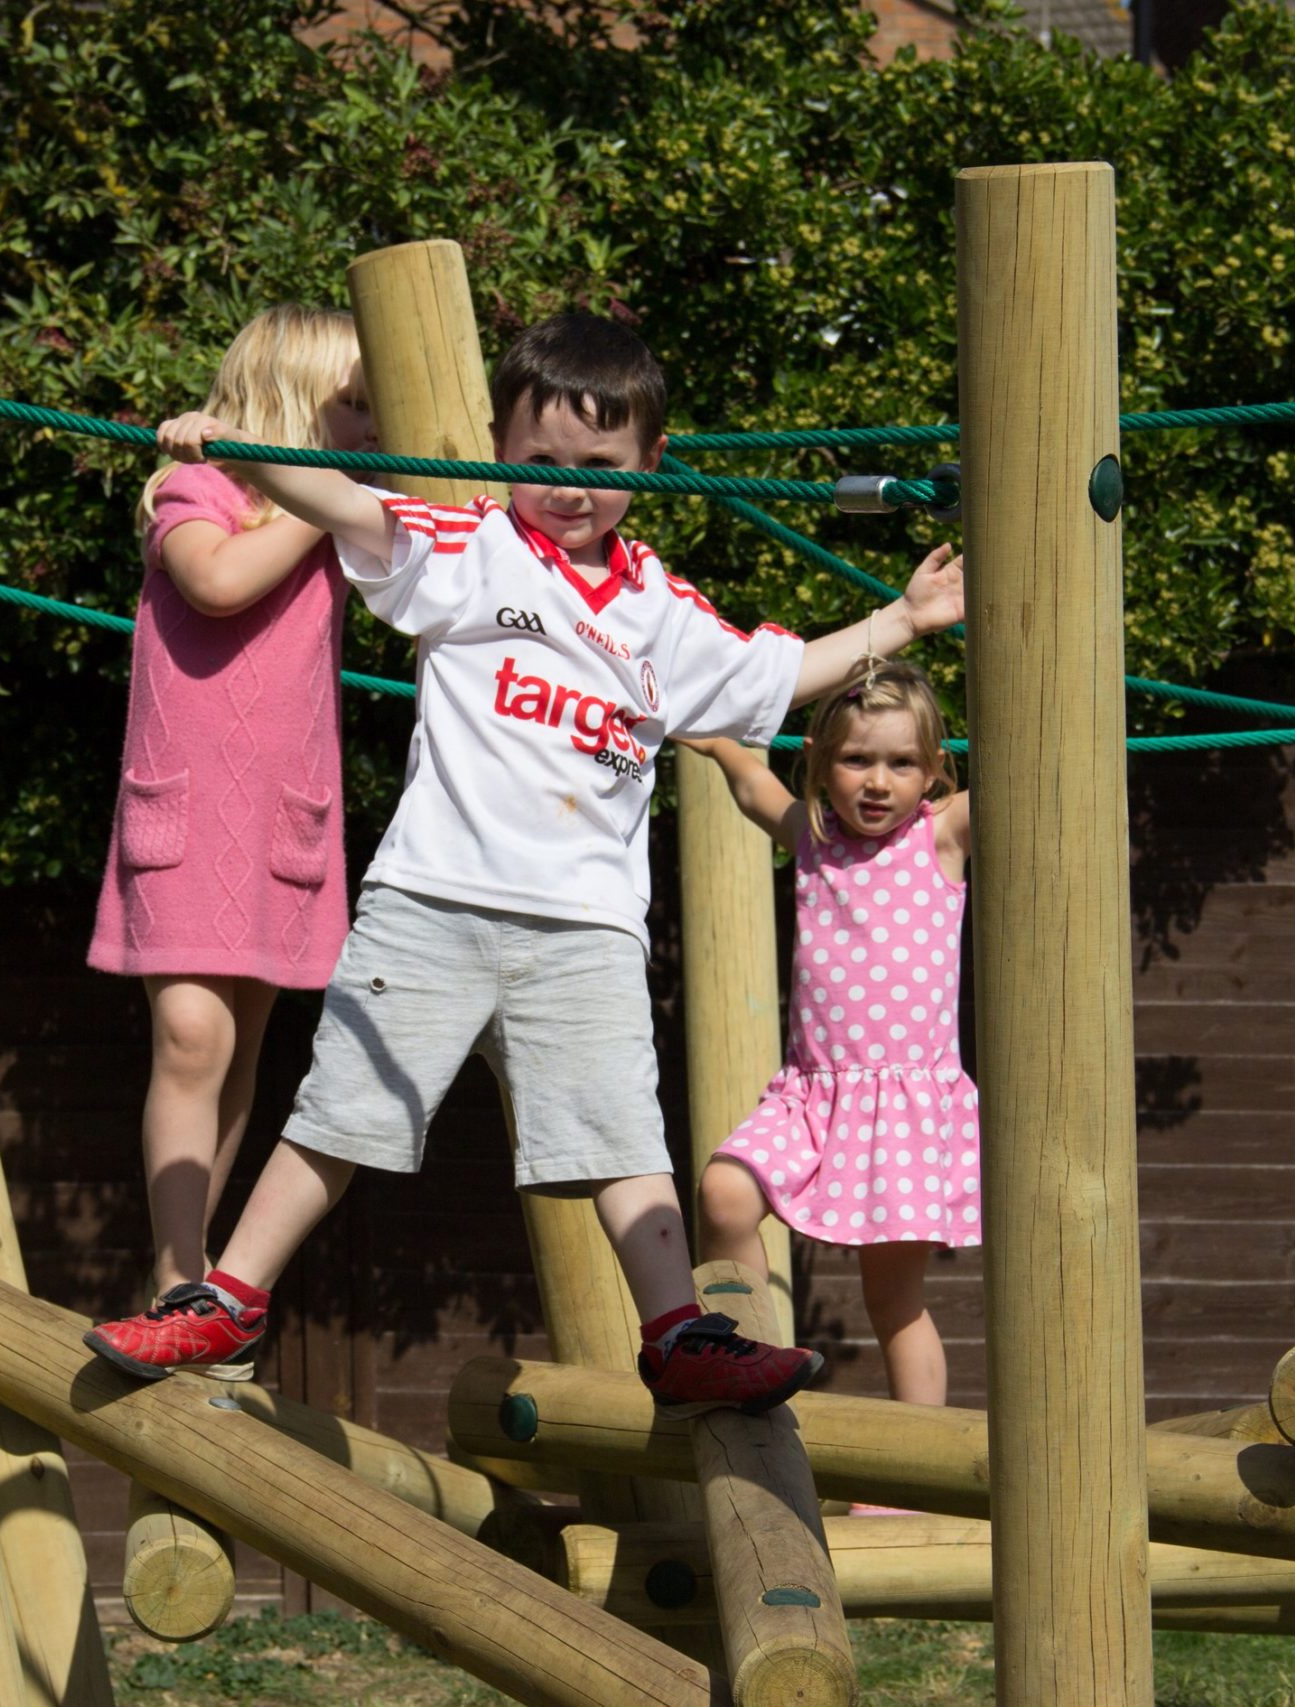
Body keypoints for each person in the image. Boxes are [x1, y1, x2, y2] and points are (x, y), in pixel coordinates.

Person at [86, 311, 963, 1416]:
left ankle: (677, 1331)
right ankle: (227, 1297)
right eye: (540, 462)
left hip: (586, 922)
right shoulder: (469, 550)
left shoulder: (663, 611)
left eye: (601, 467)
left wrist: (902, 618)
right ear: (498, 449)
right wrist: (241, 450)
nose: (570, 487)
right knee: (337, 1116)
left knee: (620, 1137)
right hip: (431, 900)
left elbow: (773, 673)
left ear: (652, 463)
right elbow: (350, 501)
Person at [86, 306, 376, 1379]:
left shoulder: (345, 518)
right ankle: (175, 1275)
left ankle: (197, 1280)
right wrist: (315, 491)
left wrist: (338, 493)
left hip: (278, 823)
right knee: (191, 1041)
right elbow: (217, 581)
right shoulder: (196, 488)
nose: (367, 423)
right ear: (292, 404)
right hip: (188, 814)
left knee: (244, 1046)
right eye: (351, 405)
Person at [677, 658, 977, 1436]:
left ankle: (919, 1468)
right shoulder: (812, 838)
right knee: (723, 1192)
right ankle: (746, 1365)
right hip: (811, 1094)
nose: (878, 781)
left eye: (901, 762)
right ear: (820, 763)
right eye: (856, 759)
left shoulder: (940, 836)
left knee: (893, 1299)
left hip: (905, 1107)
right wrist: (718, 741)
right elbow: (754, 788)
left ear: (934, 773)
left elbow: (1022, 773)